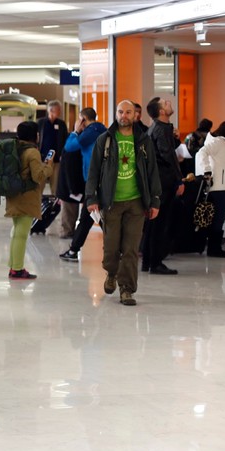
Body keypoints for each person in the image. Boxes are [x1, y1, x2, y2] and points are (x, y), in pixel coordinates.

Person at [86, 100, 161, 306]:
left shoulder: (143, 141)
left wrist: (155, 200)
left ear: (135, 115)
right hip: (111, 203)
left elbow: (153, 172)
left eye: (128, 112)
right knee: (111, 249)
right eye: (120, 111)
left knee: (130, 249)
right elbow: (93, 171)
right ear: (115, 113)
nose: (124, 115)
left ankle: (126, 289)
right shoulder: (105, 139)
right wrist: (91, 198)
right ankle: (111, 272)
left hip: (137, 203)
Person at [5, 121, 53, 280]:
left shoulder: (15, 148)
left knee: (16, 231)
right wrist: (48, 166)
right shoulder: (32, 152)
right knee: (22, 234)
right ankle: (17, 269)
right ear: (34, 135)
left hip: (13, 194)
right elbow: (38, 176)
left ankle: (13, 266)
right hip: (26, 196)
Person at [141, 97, 183, 275]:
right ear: (161, 112)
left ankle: (148, 261)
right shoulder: (161, 128)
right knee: (160, 223)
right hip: (163, 182)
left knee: (153, 222)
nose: (169, 103)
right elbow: (167, 155)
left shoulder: (158, 128)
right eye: (166, 103)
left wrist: (177, 140)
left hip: (157, 181)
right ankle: (155, 262)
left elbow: (164, 150)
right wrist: (179, 179)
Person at [60, 107, 107, 261]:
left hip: (92, 179)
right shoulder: (102, 129)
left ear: (83, 119)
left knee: (89, 216)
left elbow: (69, 146)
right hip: (102, 178)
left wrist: (74, 131)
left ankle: (74, 250)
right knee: (94, 216)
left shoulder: (89, 133)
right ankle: (74, 249)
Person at [37, 100, 69, 235]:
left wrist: (62, 154)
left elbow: (65, 140)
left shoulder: (61, 124)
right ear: (51, 111)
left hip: (56, 161)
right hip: (43, 160)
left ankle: (53, 212)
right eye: (57, 110)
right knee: (39, 185)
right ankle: (37, 211)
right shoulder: (41, 123)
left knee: (56, 187)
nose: (59, 113)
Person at [197, 121, 225, 257]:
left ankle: (214, 248)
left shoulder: (223, 143)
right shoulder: (219, 142)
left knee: (219, 217)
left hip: (223, 186)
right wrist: (207, 170)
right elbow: (201, 152)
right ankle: (214, 249)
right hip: (219, 187)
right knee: (218, 218)